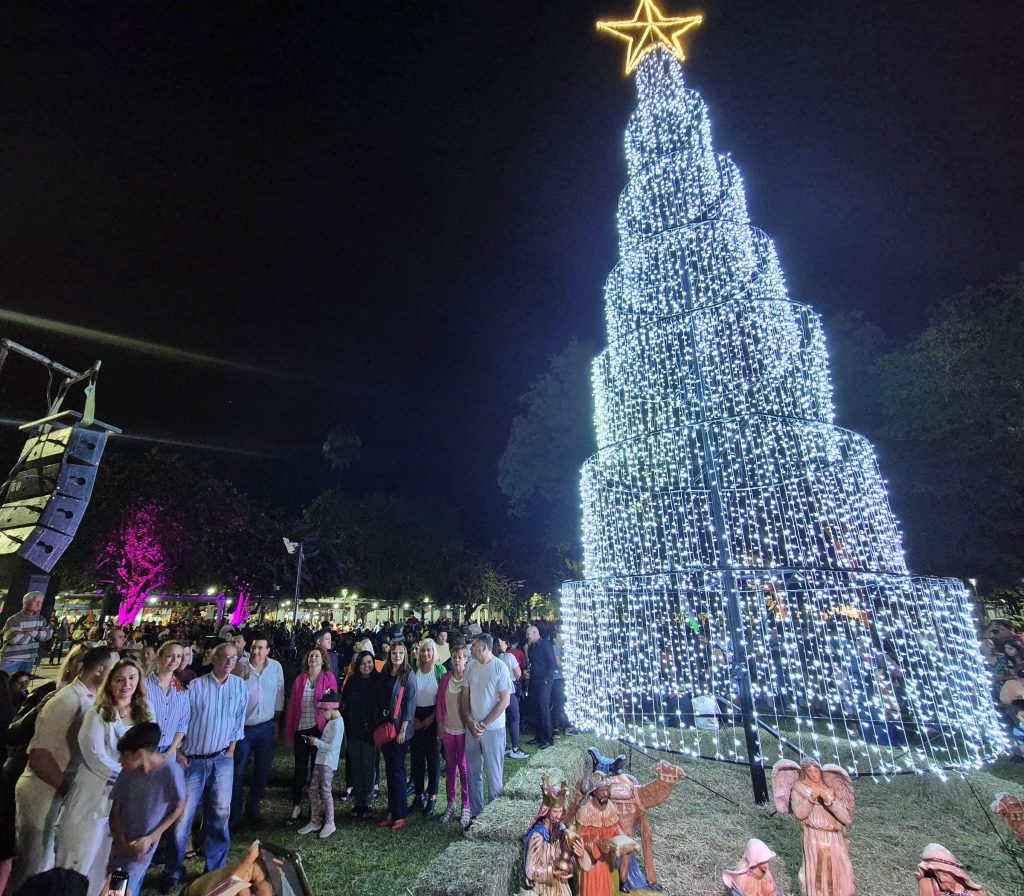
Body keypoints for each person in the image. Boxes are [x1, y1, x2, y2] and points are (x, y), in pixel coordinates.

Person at [12, 646, 117, 889]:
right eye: (114, 669)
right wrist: (71, 792)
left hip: (60, 795)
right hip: (43, 794)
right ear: (99, 671)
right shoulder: (65, 700)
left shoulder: (92, 701)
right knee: (33, 873)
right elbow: (39, 756)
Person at [55, 657, 151, 894]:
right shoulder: (97, 715)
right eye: (119, 679)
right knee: (76, 863)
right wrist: (128, 777)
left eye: (131, 678)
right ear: (109, 684)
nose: (126, 684)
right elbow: (94, 755)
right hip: (93, 799)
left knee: (104, 867)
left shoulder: (145, 717)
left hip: (122, 806)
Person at [161, 642, 248, 892]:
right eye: (225, 658)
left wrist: (231, 747)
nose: (230, 662)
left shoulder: (239, 686)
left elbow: (238, 719)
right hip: (194, 759)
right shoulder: (196, 687)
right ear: (214, 659)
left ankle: (215, 868)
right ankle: (173, 870)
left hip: (222, 759)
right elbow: (181, 719)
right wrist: (178, 750)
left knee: (219, 814)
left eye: (234, 658)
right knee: (183, 816)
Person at [107, 722, 186, 896]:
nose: (120, 760)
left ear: (139, 754)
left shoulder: (169, 772)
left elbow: (179, 807)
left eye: (124, 755)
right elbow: (116, 809)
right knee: (113, 886)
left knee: (119, 889)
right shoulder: (127, 773)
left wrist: (152, 837)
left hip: (141, 848)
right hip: (119, 845)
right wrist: (121, 841)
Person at [232, 633, 285, 829]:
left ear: (268, 651)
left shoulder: (275, 668)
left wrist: (277, 718)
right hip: (244, 726)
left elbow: (280, 691)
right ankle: (235, 813)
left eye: (261, 648)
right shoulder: (241, 665)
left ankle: (252, 810)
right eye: (254, 647)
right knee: (238, 771)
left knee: (262, 771)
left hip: (266, 725)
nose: (256, 651)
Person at [459, 633, 512, 829]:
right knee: (473, 772)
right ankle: (476, 815)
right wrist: (470, 721)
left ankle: (494, 818)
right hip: (472, 728)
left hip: (494, 730)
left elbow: (504, 700)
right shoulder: (471, 667)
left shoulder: (500, 667)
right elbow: (464, 697)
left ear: (483, 647)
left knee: (494, 774)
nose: (470, 649)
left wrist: (484, 723)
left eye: (473, 646)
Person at [283, 647, 338, 826]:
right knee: (300, 769)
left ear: (323, 660)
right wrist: (290, 731)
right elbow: (292, 707)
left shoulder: (328, 678)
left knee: (318, 770)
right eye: (311, 655)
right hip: (301, 729)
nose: (313, 658)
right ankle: (296, 806)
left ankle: (315, 809)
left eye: (317, 656)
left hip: (319, 730)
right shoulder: (300, 679)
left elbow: (333, 705)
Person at [524, 776, 590, 896]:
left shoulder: (562, 833)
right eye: (554, 812)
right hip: (543, 889)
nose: (558, 816)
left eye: (560, 812)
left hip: (562, 889)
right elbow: (530, 870)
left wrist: (581, 856)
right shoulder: (538, 836)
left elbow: (584, 866)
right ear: (546, 812)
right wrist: (552, 872)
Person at [376, 640, 417, 830]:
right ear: (390, 654)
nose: (397, 656)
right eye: (394, 653)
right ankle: (391, 811)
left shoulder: (408, 676)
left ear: (405, 655)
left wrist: (403, 729)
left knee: (398, 771)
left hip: (400, 729)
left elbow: (410, 705)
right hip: (385, 728)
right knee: (389, 771)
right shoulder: (385, 673)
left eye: (401, 653)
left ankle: (400, 813)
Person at [297, 690, 345, 839]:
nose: (322, 715)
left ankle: (330, 822)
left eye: (324, 711)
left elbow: (332, 747)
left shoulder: (338, 724)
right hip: (320, 761)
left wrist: (316, 742)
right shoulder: (331, 722)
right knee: (313, 790)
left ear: (331, 709)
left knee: (325, 791)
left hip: (328, 763)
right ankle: (315, 820)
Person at [341, 650, 379, 819]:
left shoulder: (378, 681)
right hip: (354, 729)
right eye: (363, 663)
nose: (366, 666)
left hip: (371, 731)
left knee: (369, 766)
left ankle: (368, 802)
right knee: (356, 765)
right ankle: (359, 802)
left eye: (369, 662)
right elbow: (345, 705)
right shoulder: (352, 682)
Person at [409, 638, 445, 817]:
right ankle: (418, 796)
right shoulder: (414, 671)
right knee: (416, 759)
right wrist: (414, 719)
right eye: (423, 651)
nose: (425, 654)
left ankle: (432, 797)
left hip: (433, 717)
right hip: (415, 717)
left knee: (433, 760)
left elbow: (443, 699)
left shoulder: (440, 671)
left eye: (429, 651)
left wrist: (431, 720)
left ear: (434, 653)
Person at [436, 639, 470, 825]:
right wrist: (440, 724)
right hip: (448, 729)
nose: (457, 661)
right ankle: (450, 803)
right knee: (450, 767)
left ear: (466, 659)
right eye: (455, 657)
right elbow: (440, 703)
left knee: (463, 768)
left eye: (461, 657)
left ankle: (466, 805)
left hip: (464, 730)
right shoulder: (446, 679)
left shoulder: (469, 678)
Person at [575, 772, 623, 896]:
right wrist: (595, 844)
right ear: (595, 791)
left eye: (607, 790)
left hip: (607, 859)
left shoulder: (611, 807)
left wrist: (620, 842)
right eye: (602, 790)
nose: (606, 794)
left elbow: (616, 829)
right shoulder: (586, 810)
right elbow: (578, 839)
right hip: (591, 861)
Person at [145, 641, 190, 757]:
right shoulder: (143, 685)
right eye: (170, 656)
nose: (175, 660)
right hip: (145, 751)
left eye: (179, 656)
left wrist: (171, 750)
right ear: (159, 658)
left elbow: (183, 722)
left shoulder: (181, 690)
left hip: (169, 751)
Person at [1, 592, 52, 674]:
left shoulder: (41, 619)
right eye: (36, 601)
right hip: (11, 659)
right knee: (5, 684)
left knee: (22, 685)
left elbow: (47, 636)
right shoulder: (14, 619)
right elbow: (15, 640)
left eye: (41, 602)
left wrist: (31, 633)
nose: (39, 604)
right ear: (26, 602)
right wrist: (38, 635)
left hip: (29, 659)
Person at [494, 637, 528, 760]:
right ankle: (515, 748)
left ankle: (503, 746)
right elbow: (518, 673)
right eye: (502, 641)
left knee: (501, 719)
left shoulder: (492, 659)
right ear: (498, 646)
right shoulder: (509, 657)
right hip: (510, 690)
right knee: (514, 717)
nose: (505, 642)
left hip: (495, 693)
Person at [525, 625, 556, 749]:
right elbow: (532, 663)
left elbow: (552, 663)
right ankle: (539, 736)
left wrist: (547, 680)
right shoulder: (531, 647)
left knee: (543, 708)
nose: (527, 636)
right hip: (534, 680)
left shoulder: (545, 645)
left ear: (534, 633)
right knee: (536, 709)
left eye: (528, 634)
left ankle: (548, 738)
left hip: (544, 681)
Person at [915, 842, 986, 895]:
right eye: (936, 875)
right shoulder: (928, 885)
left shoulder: (975, 893)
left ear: (955, 873)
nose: (941, 879)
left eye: (945, 874)